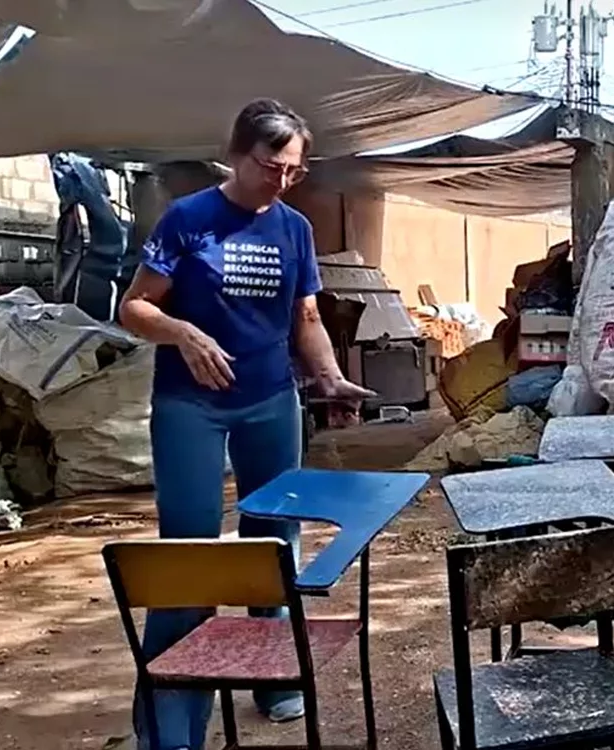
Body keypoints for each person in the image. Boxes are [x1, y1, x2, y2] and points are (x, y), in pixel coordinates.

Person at [118, 98, 373, 750]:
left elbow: (307, 319)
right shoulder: (188, 220)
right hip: (190, 405)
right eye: (271, 166)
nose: (282, 181)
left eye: (295, 170)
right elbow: (135, 308)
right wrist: (182, 334)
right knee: (189, 552)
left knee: (274, 538)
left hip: (268, 399)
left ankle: (274, 676)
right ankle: (172, 719)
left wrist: (328, 377)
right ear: (237, 154)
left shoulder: (294, 228)